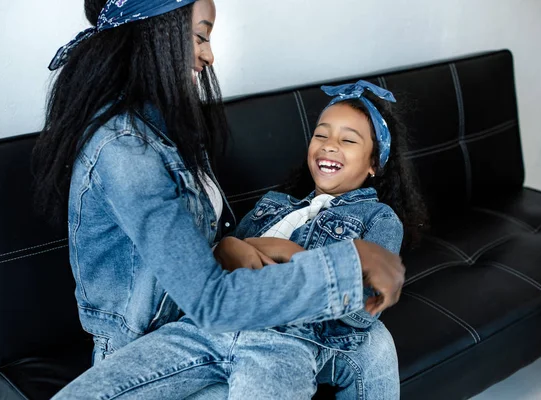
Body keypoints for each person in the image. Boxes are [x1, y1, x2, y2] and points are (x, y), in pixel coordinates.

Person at [33, 0, 407, 398]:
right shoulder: (125, 149)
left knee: (374, 343)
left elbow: (207, 261)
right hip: (171, 333)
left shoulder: (168, 130)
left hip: (224, 318)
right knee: (280, 351)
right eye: (199, 36)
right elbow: (214, 297)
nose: (209, 55)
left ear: (374, 163)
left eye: (348, 141)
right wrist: (343, 265)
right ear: (155, 32)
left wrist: (230, 247)